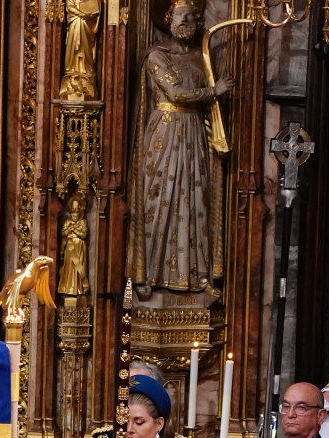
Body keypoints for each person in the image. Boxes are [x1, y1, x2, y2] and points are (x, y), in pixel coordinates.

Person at [126, 0, 232, 299]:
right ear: (168, 19)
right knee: (160, 202)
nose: (185, 23)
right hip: (165, 131)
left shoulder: (202, 58)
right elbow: (175, 93)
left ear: (199, 23)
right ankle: (147, 276)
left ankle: (198, 276)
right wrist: (214, 91)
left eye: (191, 18)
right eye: (180, 17)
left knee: (194, 201)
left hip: (194, 132)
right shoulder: (157, 56)